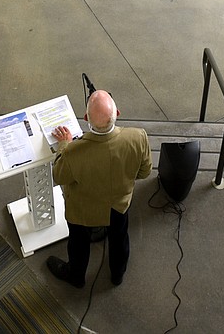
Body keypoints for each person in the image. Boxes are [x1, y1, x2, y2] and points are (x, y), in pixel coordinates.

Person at [47, 90, 151, 289]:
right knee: (119, 238)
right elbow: (144, 172)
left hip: (83, 212)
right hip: (119, 206)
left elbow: (59, 176)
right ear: (117, 113)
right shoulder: (138, 137)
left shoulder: (72, 152)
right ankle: (117, 275)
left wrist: (64, 145)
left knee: (78, 244)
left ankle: (76, 276)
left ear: (86, 118)